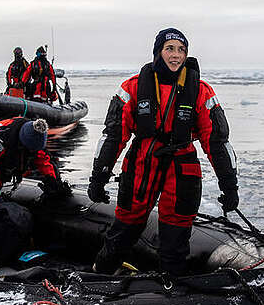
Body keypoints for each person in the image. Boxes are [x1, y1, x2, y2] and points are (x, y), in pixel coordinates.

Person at [88, 28, 239, 276]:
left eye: (181, 50)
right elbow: (114, 136)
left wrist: (229, 185)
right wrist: (99, 177)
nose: (176, 55)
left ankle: (172, 288)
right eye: (170, 48)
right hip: (142, 163)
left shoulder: (201, 91)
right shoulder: (132, 87)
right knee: (124, 227)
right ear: (158, 52)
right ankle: (99, 275)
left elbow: (217, 142)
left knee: (176, 236)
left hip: (182, 168)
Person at [0, 117, 71, 264]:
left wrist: (55, 183)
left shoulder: (36, 138)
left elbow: (45, 161)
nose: (32, 152)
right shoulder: (0, 138)